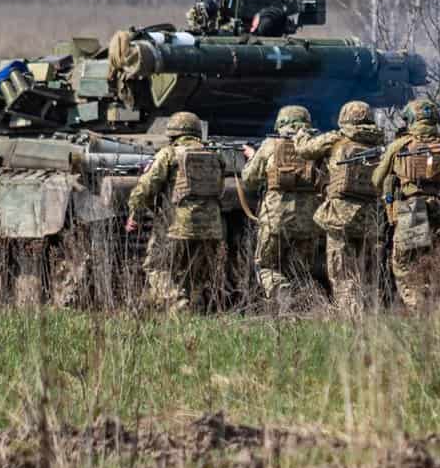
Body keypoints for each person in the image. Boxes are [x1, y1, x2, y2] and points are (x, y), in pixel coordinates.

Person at [126, 111, 228, 313]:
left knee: (156, 267)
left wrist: (134, 214)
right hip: (211, 227)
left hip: (176, 225)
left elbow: (145, 187)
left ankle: (178, 305)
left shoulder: (169, 153)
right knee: (195, 274)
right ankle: (193, 315)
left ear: (172, 134)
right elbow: (220, 188)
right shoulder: (215, 155)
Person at [294, 101, 390, 316]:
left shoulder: (336, 139)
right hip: (372, 216)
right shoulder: (380, 142)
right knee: (369, 273)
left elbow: (304, 150)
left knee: (342, 273)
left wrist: (300, 134)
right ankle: (371, 319)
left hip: (341, 216)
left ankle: (350, 320)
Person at [240, 104, 328, 310]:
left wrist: (253, 157)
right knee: (300, 270)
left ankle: (282, 292)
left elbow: (249, 179)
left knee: (266, 266)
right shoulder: (315, 147)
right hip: (309, 221)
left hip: (275, 220)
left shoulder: (271, 144)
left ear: (281, 123)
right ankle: (298, 311)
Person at [373, 98, 440, 309]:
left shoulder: (400, 145)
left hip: (413, 207)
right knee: (439, 260)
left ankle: (419, 309)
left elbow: (377, 179)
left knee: (406, 264)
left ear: (410, 118)